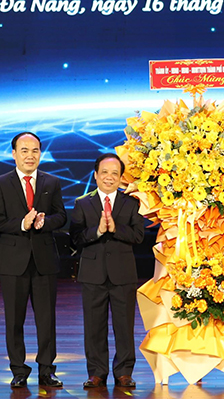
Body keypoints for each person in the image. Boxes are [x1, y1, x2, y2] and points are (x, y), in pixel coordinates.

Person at [0, 131, 67, 388]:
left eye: (34, 151)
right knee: (14, 319)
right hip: (12, 261)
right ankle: (19, 370)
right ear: (13, 154)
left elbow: (61, 216)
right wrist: (22, 224)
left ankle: (47, 369)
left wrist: (45, 223)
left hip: (44, 260)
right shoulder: (0, 182)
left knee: (46, 319)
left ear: (40, 154)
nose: (30, 156)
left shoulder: (51, 182)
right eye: (24, 150)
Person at [70, 153, 145, 389]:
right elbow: (75, 239)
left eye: (115, 173)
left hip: (123, 274)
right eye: (105, 172)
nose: (109, 178)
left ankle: (124, 372)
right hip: (93, 274)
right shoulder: (83, 203)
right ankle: (96, 373)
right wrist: (98, 231)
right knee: (94, 326)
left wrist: (115, 228)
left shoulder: (132, 203)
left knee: (124, 326)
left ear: (121, 178)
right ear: (95, 176)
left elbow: (138, 236)